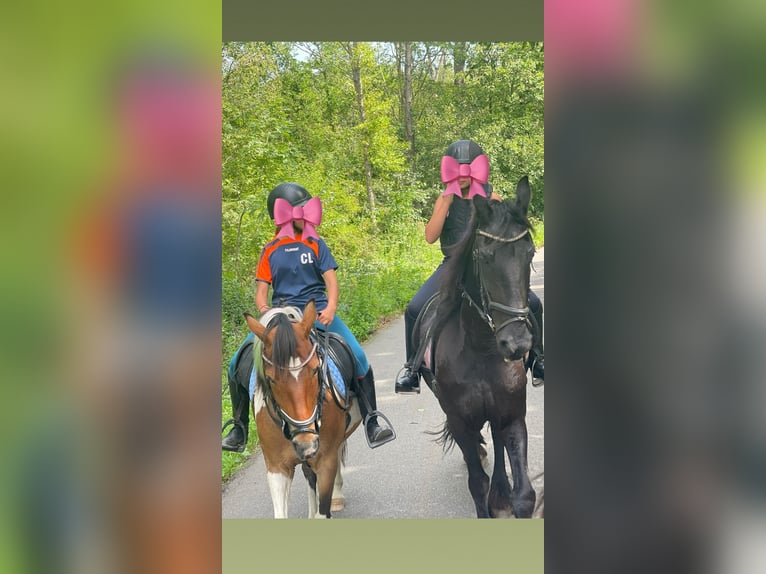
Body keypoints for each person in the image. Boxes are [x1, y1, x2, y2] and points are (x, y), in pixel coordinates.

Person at [222, 182, 396, 451]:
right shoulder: (269, 249)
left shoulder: (315, 243)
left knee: (359, 357)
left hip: (316, 312)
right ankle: (239, 428)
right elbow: (261, 292)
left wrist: (332, 307)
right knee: (236, 364)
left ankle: (372, 420)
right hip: (282, 315)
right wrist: (263, 309)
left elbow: (331, 281)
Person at [394, 140, 545, 394]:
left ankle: (539, 359)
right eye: (458, 169)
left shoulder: (492, 197)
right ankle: (412, 368)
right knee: (414, 308)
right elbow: (430, 237)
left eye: (467, 169)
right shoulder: (445, 200)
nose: (462, 175)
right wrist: (445, 203)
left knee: (534, 304)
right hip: (452, 266)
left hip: (485, 267)